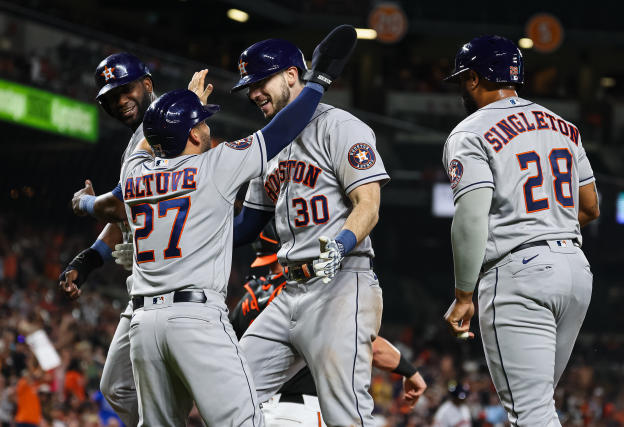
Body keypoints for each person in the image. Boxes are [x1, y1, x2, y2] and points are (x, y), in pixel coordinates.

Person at [119, 25, 358, 425]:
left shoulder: (133, 174)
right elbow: (281, 130)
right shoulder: (215, 165)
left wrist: (179, 107)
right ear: (194, 132)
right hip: (194, 319)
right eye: (203, 122)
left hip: (143, 326)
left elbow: (148, 140)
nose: (209, 127)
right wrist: (319, 79)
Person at [440, 35, 599, 426]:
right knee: (537, 408)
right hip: (575, 271)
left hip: (520, 274)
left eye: (464, 79)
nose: (463, 87)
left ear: (475, 78)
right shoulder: (564, 126)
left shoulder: (470, 131)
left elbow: (472, 218)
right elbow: (591, 207)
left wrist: (463, 294)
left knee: (530, 414)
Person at [231, 37, 389, 426]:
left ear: (291, 75)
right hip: (290, 292)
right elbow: (244, 228)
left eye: (260, 82)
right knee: (229, 392)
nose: (253, 93)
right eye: (248, 86)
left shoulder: (340, 126)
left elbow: (368, 206)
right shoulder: (269, 143)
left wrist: (339, 245)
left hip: (342, 284)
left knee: (346, 416)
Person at [230, 222, 427, 426]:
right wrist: (410, 371)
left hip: (255, 411)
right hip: (302, 413)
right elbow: (370, 348)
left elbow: (231, 360)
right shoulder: (309, 293)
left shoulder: (246, 301)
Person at [58, 52, 158, 427]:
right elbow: (126, 214)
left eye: (126, 90)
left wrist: (85, 202)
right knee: (118, 386)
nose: (120, 101)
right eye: (111, 97)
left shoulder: (165, 124)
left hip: (178, 283)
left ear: (147, 84)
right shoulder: (136, 141)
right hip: (145, 287)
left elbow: (118, 204)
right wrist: (87, 260)